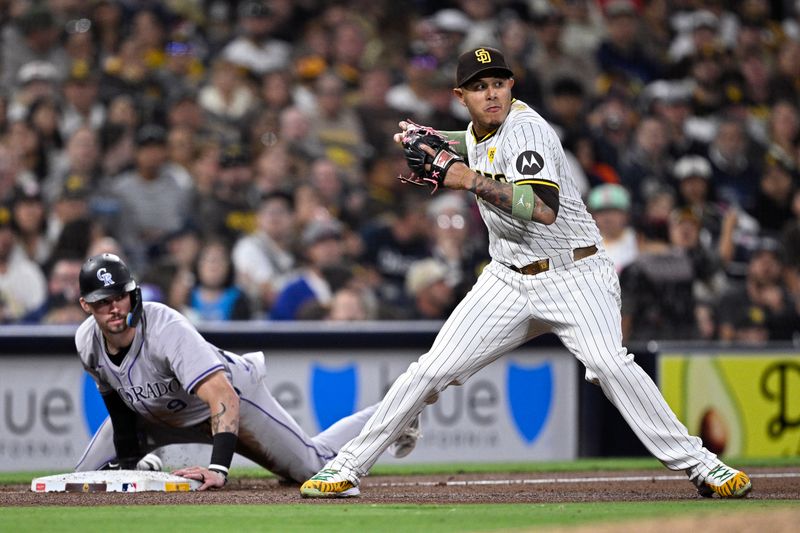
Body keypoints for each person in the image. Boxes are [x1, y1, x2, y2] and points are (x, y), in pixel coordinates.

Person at [300, 46, 751, 499]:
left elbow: (543, 209)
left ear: (511, 85)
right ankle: (348, 466)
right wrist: (437, 139)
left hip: (575, 273)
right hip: (508, 278)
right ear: (462, 95)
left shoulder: (528, 129)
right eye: (479, 87)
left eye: (498, 83)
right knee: (428, 371)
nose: (492, 94)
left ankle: (703, 465)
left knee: (609, 364)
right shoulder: (481, 131)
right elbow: (478, 142)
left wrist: (463, 177)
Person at [74, 253, 419, 489]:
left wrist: (218, 469)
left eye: (121, 296)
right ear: (86, 306)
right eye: (103, 301)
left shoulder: (164, 327)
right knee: (81, 479)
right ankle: (145, 462)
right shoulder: (86, 341)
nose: (114, 308)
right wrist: (131, 459)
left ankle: (397, 411)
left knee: (312, 469)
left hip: (233, 401)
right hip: (157, 416)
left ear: (133, 295)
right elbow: (118, 407)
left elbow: (222, 395)